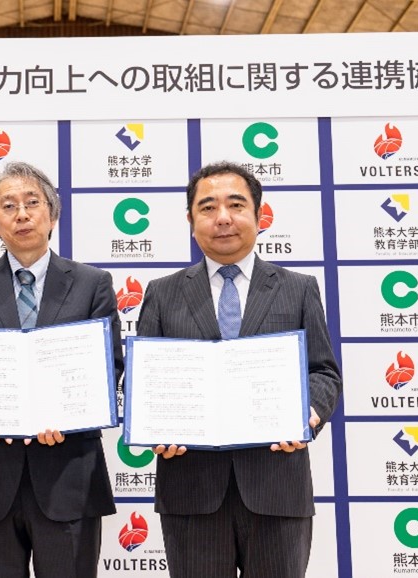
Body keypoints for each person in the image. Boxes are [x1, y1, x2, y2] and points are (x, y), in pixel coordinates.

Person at [135, 161, 342, 578]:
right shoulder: (162, 293)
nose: (223, 217)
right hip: (190, 488)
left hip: (277, 486)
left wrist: (309, 413)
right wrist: (154, 427)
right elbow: (145, 382)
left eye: (236, 205)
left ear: (259, 215)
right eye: (208, 207)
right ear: (191, 220)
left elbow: (323, 371)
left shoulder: (298, 288)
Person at [0, 161, 123, 578]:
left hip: (69, 476)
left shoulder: (92, 283)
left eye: (32, 203)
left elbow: (109, 367)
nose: (21, 214)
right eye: (8, 206)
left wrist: (71, 414)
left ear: (52, 215)